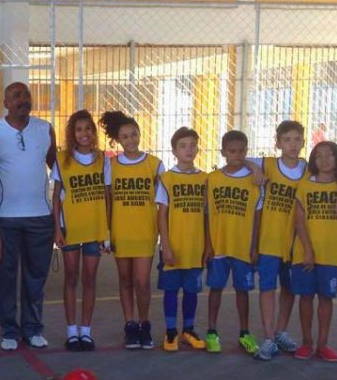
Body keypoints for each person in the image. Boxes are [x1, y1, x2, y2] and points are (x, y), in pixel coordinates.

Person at [0, 82, 57, 350]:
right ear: (5, 103)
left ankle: (33, 328)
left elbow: (55, 167)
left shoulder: (45, 129)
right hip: (5, 219)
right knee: (6, 276)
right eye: (16, 96)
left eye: (26, 95)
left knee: (36, 276)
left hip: (40, 216)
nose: (23, 99)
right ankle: (9, 331)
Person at [99, 111, 164, 349]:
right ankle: (130, 325)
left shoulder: (155, 164)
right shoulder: (111, 165)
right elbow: (107, 201)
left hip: (145, 232)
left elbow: (165, 201)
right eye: (125, 136)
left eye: (134, 134)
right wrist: (106, 233)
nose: (131, 140)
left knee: (142, 282)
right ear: (118, 140)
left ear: (139, 134)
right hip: (121, 232)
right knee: (125, 280)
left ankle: (145, 324)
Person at [290, 141, 337, 362]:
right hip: (306, 254)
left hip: (332, 254)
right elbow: (299, 223)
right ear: (313, 161)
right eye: (319, 156)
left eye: (329, 155)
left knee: (326, 299)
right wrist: (308, 250)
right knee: (306, 298)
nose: (325, 160)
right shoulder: (306, 185)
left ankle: (323, 344)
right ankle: (306, 342)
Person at [52, 110, 108, 352]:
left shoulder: (103, 159)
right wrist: (56, 229)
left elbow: (107, 196)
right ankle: (71, 331)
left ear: (93, 133)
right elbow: (55, 197)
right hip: (70, 228)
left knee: (89, 279)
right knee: (71, 277)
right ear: (72, 134)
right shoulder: (62, 159)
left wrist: (108, 230)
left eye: (88, 129)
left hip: (95, 229)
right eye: (79, 129)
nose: (84, 133)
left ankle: (86, 331)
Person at [205, 130, 263, 354]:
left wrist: (254, 246)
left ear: (246, 152)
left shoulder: (254, 181)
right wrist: (209, 244)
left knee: (242, 291)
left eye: (241, 151)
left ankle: (244, 333)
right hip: (219, 246)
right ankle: (211, 332)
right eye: (232, 151)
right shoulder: (213, 179)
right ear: (223, 152)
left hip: (242, 247)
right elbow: (207, 214)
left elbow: (257, 216)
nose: (236, 155)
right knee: (215, 289)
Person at [156, 127, 208, 352]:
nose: (189, 149)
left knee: (191, 291)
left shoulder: (205, 179)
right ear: (174, 150)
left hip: (195, 247)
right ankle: (170, 331)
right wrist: (165, 245)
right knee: (170, 290)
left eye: (193, 145)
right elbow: (162, 215)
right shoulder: (167, 179)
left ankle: (188, 329)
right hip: (174, 247)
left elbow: (207, 215)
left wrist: (208, 245)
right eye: (183, 145)